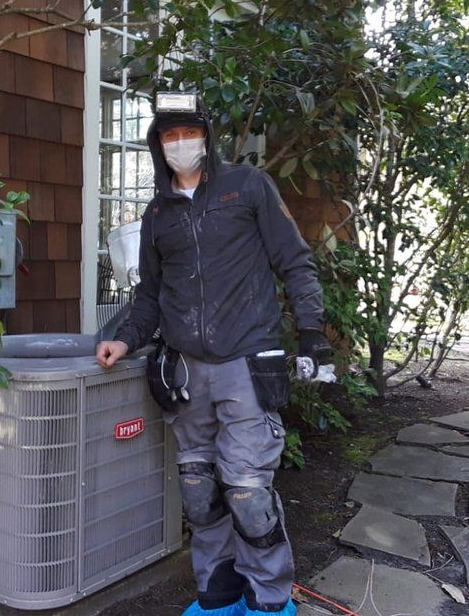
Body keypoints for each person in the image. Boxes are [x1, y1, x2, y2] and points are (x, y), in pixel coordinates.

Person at [96, 92, 331, 616]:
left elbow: (294, 260)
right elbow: (150, 294)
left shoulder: (247, 188)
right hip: (186, 371)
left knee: (248, 493)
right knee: (200, 490)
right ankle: (218, 596)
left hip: (247, 362)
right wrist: (126, 338)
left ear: (206, 137)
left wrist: (312, 331)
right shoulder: (158, 213)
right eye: (169, 136)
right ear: (158, 145)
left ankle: (269, 601)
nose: (181, 144)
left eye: (189, 133)